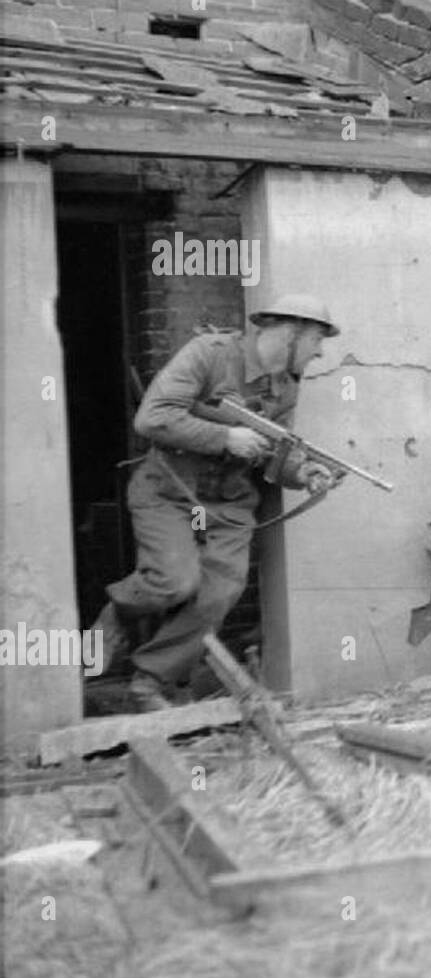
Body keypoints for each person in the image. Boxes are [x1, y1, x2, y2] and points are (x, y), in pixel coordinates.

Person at [90, 295, 339, 711]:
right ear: (290, 333)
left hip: (225, 508)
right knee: (175, 581)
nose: (321, 351)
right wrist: (225, 437)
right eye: (316, 339)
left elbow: (276, 455)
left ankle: (149, 682)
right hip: (169, 492)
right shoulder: (210, 355)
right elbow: (152, 418)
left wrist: (304, 473)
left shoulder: (286, 387)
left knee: (217, 594)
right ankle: (121, 610)